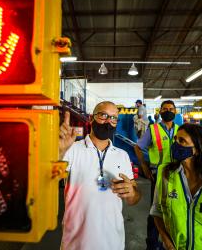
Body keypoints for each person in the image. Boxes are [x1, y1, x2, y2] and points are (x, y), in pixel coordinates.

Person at [59, 101, 141, 250]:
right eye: (103, 115)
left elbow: (133, 199)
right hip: (76, 243)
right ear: (91, 118)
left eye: (114, 118)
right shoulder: (72, 149)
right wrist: (60, 151)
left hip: (113, 242)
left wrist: (132, 192)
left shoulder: (122, 156)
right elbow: (50, 178)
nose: (108, 121)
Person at [134, 100, 179, 250]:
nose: (168, 111)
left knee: (175, 209)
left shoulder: (180, 130)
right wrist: (145, 167)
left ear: (176, 111)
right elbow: (138, 147)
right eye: (165, 109)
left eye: (171, 109)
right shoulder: (153, 130)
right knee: (155, 212)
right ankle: (152, 245)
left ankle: (173, 242)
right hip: (159, 176)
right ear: (160, 111)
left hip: (177, 176)